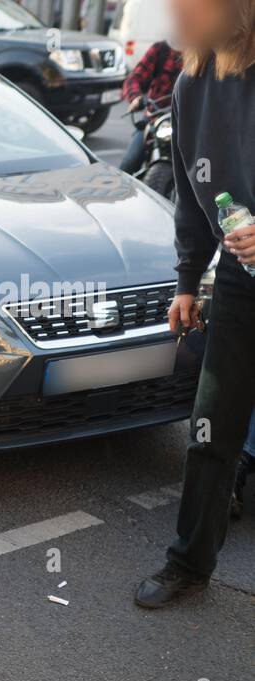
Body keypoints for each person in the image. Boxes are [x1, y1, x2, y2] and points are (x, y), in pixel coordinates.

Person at [135, 0, 255, 608]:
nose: (174, 14)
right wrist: (188, 280)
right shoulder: (192, 84)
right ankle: (189, 564)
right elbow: (191, 193)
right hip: (241, 277)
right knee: (211, 428)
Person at [118, 38, 183, 173]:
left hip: (187, 123)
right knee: (129, 163)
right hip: (155, 118)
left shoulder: (207, 55)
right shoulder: (162, 49)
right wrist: (136, 98)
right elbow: (134, 77)